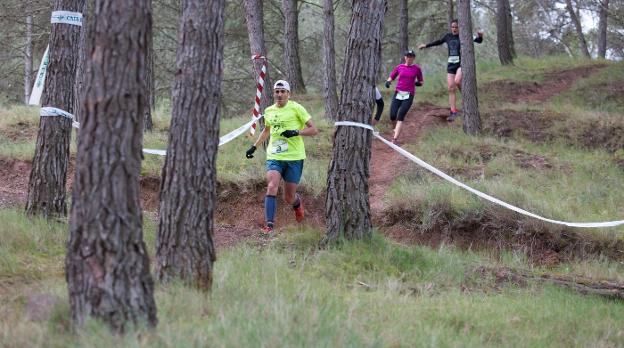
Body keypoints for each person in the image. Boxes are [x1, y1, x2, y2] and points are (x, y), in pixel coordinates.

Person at [245, 80, 319, 234]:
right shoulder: (269, 111)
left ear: (288, 94)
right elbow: (266, 130)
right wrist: (254, 147)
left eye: (282, 91)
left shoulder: (296, 108)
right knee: (272, 186)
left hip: (294, 157)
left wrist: (296, 132)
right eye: (276, 91)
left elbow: (314, 130)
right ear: (274, 93)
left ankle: (297, 204)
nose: (279, 94)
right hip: (274, 156)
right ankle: (269, 226)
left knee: (289, 197)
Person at [418, 19, 483, 122]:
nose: (454, 29)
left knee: (457, 81)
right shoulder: (448, 36)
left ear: (459, 28)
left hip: (461, 64)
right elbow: (438, 42)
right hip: (451, 65)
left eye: (456, 27)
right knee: (451, 88)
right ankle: (453, 112)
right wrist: (425, 45)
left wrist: (480, 36)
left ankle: (468, 98)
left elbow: (478, 41)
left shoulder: (465, 36)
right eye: (453, 27)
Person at [385, 49, 424, 145]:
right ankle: (395, 129)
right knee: (392, 115)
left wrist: (417, 83)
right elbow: (392, 77)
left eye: (411, 56)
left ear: (413, 58)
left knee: (400, 116)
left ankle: (395, 139)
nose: (409, 58)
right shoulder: (399, 67)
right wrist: (388, 82)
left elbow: (421, 81)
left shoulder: (417, 69)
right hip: (398, 93)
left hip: (409, 95)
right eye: (407, 56)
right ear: (405, 57)